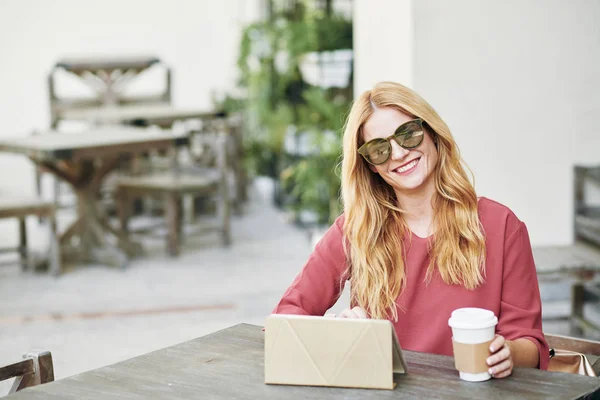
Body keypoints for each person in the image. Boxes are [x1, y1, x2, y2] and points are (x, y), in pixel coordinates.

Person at [272, 81, 549, 377]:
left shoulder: (501, 225)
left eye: (407, 134)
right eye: (378, 149)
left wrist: (506, 352)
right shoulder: (355, 230)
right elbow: (284, 321)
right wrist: (340, 334)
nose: (399, 153)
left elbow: (531, 345)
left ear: (431, 133)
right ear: (371, 167)